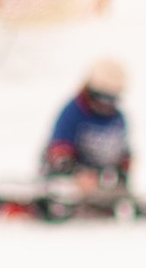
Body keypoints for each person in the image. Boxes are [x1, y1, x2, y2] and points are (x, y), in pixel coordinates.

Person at [40, 62, 131, 191]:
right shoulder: (73, 112)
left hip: (102, 184)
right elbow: (58, 152)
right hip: (67, 182)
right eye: (101, 97)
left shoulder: (118, 119)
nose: (104, 104)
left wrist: (120, 177)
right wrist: (77, 173)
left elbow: (124, 157)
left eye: (111, 99)